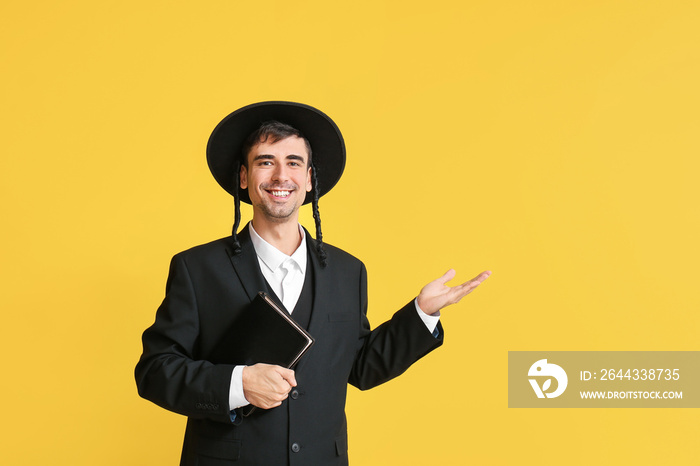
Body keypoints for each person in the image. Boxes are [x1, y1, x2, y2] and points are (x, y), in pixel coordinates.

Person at [135, 101, 491, 465]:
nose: (280, 176)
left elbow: (360, 367)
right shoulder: (197, 268)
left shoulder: (348, 271)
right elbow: (155, 371)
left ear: (308, 179)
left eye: (293, 162)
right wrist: (238, 384)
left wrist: (421, 314)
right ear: (243, 178)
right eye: (265, 162)